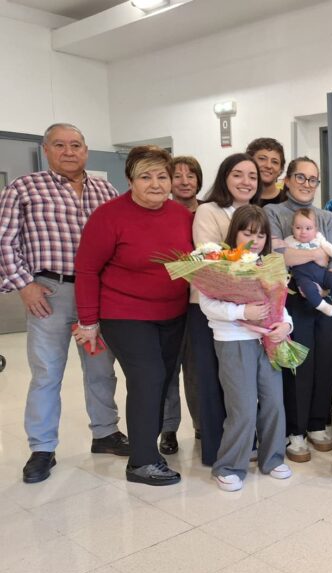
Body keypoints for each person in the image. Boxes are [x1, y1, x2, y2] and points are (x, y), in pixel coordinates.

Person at [0, 122, 128, 485]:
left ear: (86, 150)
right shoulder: (23, 188)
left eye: (76, 144)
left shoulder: (105, 189)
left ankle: (105, 433)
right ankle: (42, 448)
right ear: (46, 149)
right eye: (60, 145)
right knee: (46, 373)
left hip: (98, 294)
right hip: (49, 293)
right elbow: (3, 241)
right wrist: (24, 286)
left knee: (101, 369)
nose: (69, 151)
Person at [74, 145, 193, 486]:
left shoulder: (181, 215)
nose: (155, 184)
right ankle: (141, 462)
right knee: (149, 378)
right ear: (130, 180)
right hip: (124, 312)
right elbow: (86, 270)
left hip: (172, 313)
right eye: (145, 177)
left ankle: (148, 448)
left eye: (162, 176)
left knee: (162, 380)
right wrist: (88, 321)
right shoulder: (109, 215)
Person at [200, 205, 294, 491]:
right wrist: (241, 312)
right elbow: (208, 305)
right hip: (233, 341)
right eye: (247, 233)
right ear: (234, 233)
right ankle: (229, 466)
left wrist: (285, 326)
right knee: (242, 408)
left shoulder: (270, 266)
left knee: (274, 402)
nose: (255, 240)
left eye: (261, 234)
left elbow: (281, 306)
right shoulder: (219, 263)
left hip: (269, 341)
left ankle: (273, 458)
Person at [267, 157, 332, 462]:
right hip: (291, 302)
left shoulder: (327, 217)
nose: (306, 184)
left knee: (326, 363)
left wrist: (302, 258)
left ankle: (317, 425)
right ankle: (296, 432)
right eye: (300, 177)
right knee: (299, 364)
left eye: (313, 179)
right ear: (287, 180)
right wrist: (314, 252)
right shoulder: (272, 213)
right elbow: (276, 258)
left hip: (325, 298)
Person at [191, 153, 263, 466]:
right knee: (211, 381)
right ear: (224, 177)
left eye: (252, 176)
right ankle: (215, 451)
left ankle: (244, 443)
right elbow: (209, 257)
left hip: (250, 311)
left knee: (241, 387)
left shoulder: (257, 212)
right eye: (238, 174)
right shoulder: (208, 210)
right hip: (211, 308)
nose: (246, 182)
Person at [160, 155, 204, 455]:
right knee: (167, 368)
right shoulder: (159, 211)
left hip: (201, 302)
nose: (185, 181)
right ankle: (169, 428)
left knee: (197, 368)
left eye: (191, 175)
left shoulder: (209, 211)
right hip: (167, 298)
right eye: (178, 176)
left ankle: (202, 425)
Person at [284, 207, 332, 316]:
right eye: (298, 227)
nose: (303, 232)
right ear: (292, 228)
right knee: (307, 288)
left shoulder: (318, 238)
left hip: (322, 274)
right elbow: (284, 257)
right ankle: (323, 306)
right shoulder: (289, 241)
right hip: (304, 277)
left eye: (308, 228)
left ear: (315, 229)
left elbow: (329, 247)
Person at [246, 137, 286, 205]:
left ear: (281, 169)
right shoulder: (241, 197)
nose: (268, 166)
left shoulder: (288, 198)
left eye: (274, 162)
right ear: (249, 161)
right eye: (262, 159)